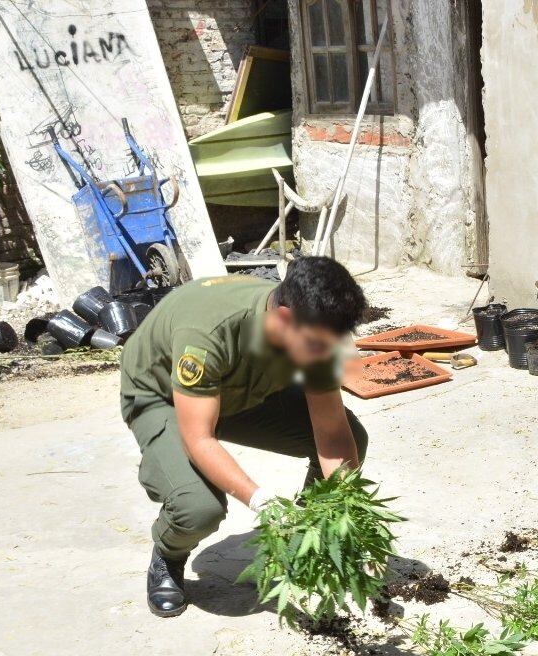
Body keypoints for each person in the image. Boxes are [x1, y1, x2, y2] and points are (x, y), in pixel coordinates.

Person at [118, 256, 369, 618]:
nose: (322, 354)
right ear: (283, 318)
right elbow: (199, 439)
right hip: (163, 395)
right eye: (316, 345)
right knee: (197, 508)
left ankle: (305, 542)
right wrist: (261, 500)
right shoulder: (207, 333)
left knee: (352, 441)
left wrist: (348, 513)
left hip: (238, 392)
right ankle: (167, 555)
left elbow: (331, 433)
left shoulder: (315, 332)